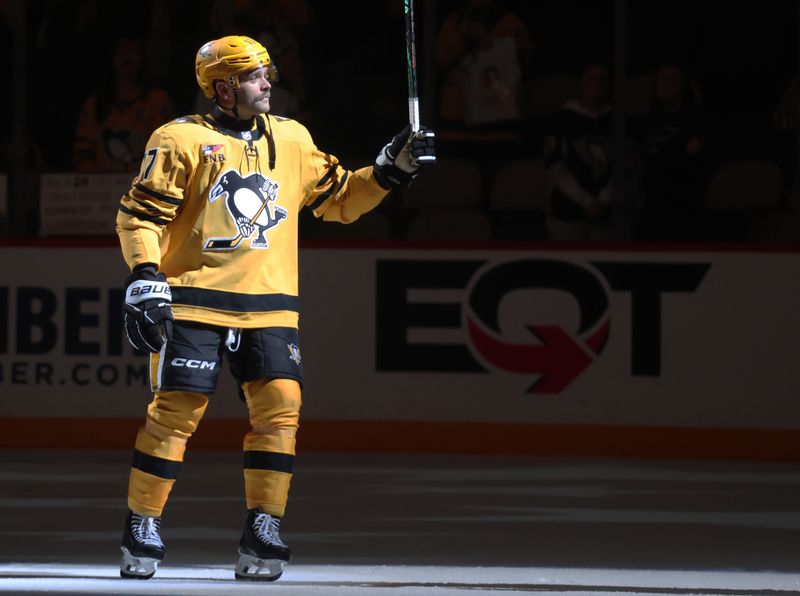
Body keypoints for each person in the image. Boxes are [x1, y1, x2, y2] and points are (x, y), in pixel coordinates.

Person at [115, 35, 435, 581]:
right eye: (254, 76)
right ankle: (142, 522)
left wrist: (389, 168)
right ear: (222, 88)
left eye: (268, 73)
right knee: (176, 411)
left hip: (270, 306)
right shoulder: (179, 138)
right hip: (193, 298)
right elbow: (140, 215)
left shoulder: (292, 137)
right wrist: (145, 274)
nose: (268, 83)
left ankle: (263, 525)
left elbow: (338, 199)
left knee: (281, 410)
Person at [73, 34, 175, 173]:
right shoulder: (95, 103)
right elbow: (82, 150)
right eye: (122, 50)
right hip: (102, 184)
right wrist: (97, 176)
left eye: (132, 51)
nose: (126, 56)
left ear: (142, 59)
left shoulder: (157, 100)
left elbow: (167, 148)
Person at [634, 63, 707, 241]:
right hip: (650, 206)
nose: (667, 85)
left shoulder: (697, 122)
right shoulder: (645, 123)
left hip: (685, 208)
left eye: (673, 80)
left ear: (684, 86)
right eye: (662, 80)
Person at [542, 62, 614, 241]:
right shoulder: (561, 118)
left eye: (602, 79)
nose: (596, 84)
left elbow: (626, 163)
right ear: (580, 84)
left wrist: (604, 199)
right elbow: (555, 165)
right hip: (566, 211)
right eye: (591, 79)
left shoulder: (616, 119)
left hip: (608, 212)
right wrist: (586, 201)